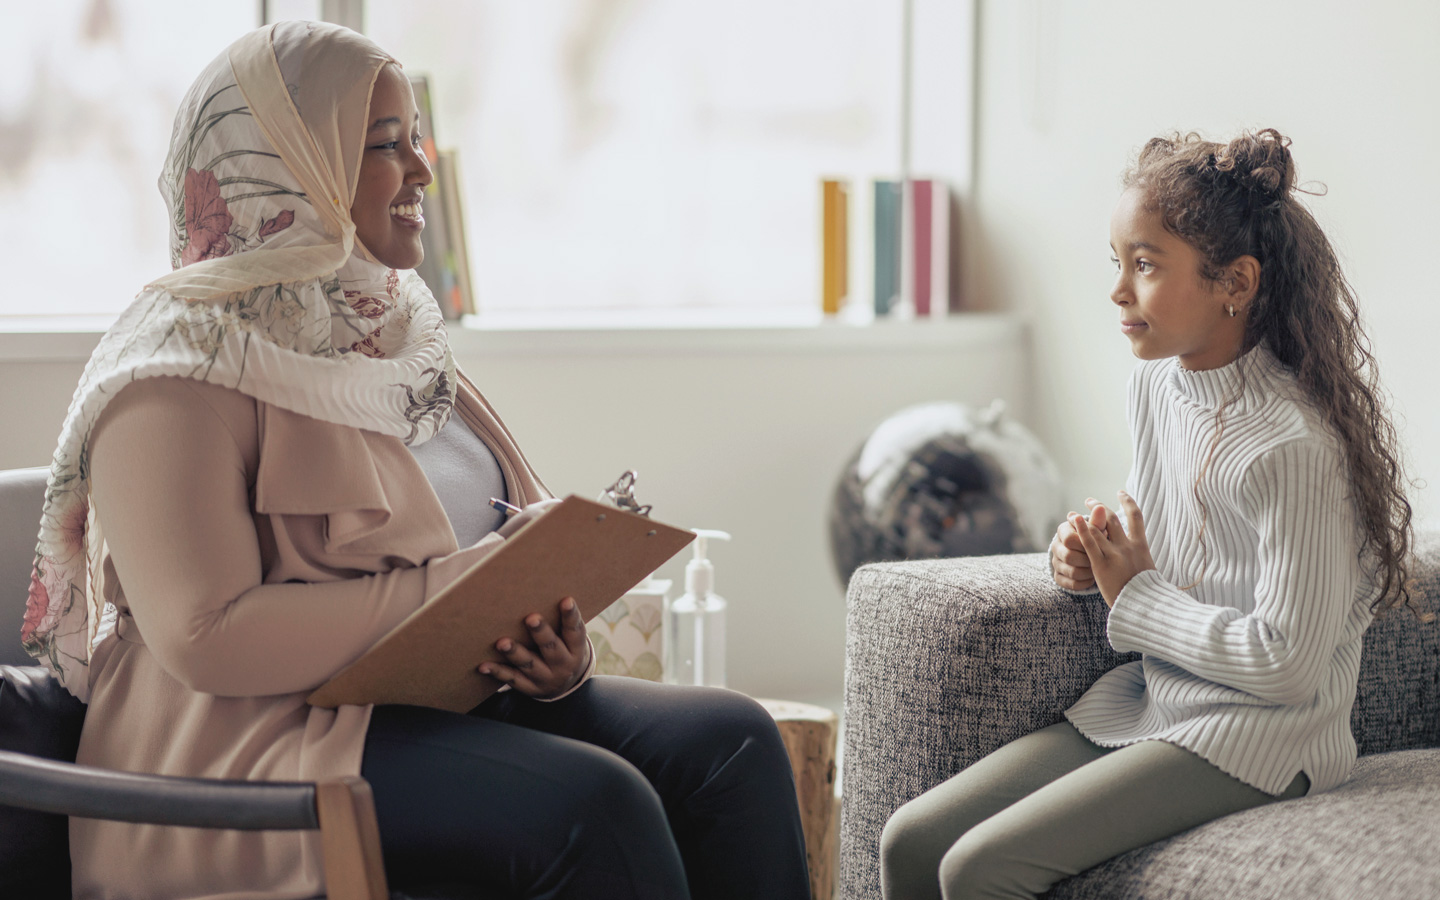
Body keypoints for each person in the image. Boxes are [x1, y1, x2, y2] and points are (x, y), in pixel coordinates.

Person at [22, 21, 809, 900]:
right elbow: (206, 637)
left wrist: (553, 645)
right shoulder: (172, 373)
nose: (424, 170)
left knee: (736, 742)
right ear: (292, 162)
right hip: (251, 755)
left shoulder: (390, 336)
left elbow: (501, 528)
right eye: (386, 146)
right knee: (599, 804)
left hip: (435, 704)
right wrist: (466, 585)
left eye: (417, 139)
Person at [878, 128, 1422, 900]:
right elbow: (1157, 549)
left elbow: (1290, 665)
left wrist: (1136, 596)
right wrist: (1083, 558)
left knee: (977, 867)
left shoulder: (1294, 447)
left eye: (1145, 264)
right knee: (913, 841)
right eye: (1117, 261)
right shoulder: (1157, 388)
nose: (1118, 290)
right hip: (1154, 703)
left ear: (1235, 282)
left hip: (1266, 739)